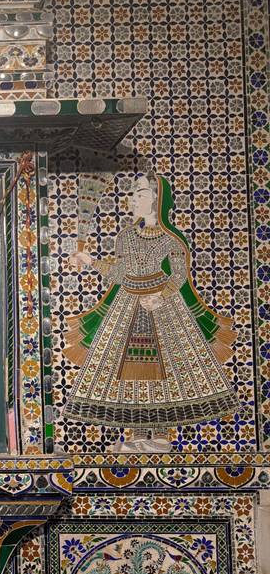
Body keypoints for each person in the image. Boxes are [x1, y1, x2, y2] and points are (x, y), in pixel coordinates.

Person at [63, 173, 237, 452]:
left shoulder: (171, 239)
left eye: (140, 193)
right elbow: (120, 273)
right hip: (128, 302)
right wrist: (91, 261)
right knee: (128, 367)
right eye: (132, 194)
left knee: (165, 368)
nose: (132, 199)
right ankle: (136, 433)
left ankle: (160, 435)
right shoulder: (126, 236)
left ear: (158, 199)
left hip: (161, 305)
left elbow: (179, 275)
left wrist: (162, 296)